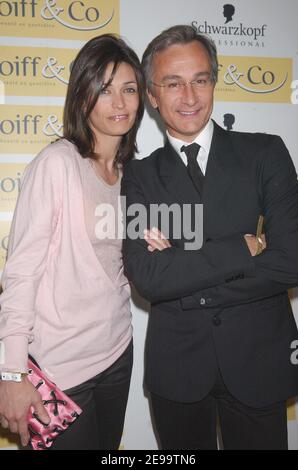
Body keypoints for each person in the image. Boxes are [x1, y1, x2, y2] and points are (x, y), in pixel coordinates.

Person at [121, 25, 298, 450]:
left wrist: (181, 277)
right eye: (173, 83)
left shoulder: (266, 152)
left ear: (214, 82)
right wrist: (244, 248)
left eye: (200, 80)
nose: (190, 97)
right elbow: (148, 277)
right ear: (151, 94)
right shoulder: (138, 176)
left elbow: (291, 259)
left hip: (258, 361)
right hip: (177, 370)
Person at [0, 34, 145, 450]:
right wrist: (11, 373)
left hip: (118, 352)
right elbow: (21, 273)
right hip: (59, 370)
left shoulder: (132, 173)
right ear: (82, 96)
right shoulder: (58, 164)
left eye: (128, 89)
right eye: (104, 89)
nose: (119, 103)